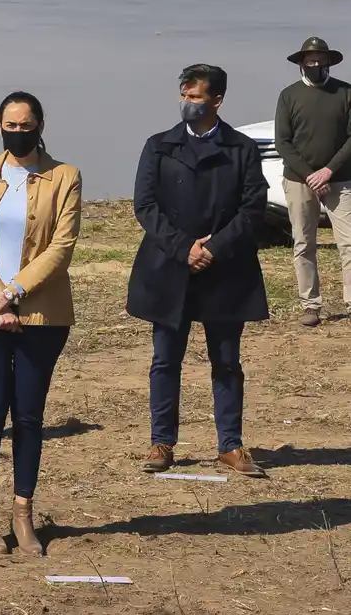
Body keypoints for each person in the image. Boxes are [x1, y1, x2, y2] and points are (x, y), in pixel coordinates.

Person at [0, 91, 80, 556]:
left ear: (41, 125)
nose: (18, 131)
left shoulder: (65, 177)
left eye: (26, 125)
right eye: (10, 124)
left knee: (29, 414)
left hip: (42, 313)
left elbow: (61, 247)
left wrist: (14, 292)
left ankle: (23, 511)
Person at [129, 65, 269, 479]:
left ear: (217, 100)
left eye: (195, 97)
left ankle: (230, 444)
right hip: (170, 266)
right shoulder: (159, 146)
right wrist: (183, 248)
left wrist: (214, 247)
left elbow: (253, 208)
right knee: (165, 358)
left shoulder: (241, 148)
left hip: (225, 269)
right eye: (184, 95)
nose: (188, 103)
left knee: (226, 360)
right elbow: (146, 205)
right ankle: (162, 442)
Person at [273, 36, 351, 327]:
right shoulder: (288, 95)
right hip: (298, 180)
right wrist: (310, 175)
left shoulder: (345, 92)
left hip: (341, 179)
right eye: (310, 60)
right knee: (304, 243)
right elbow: (282, 141)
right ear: (301, 63)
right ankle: (311, 305)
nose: (315, 64)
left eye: (320, 59)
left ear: (329, 61)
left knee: (349, 243)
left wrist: (328, 171)